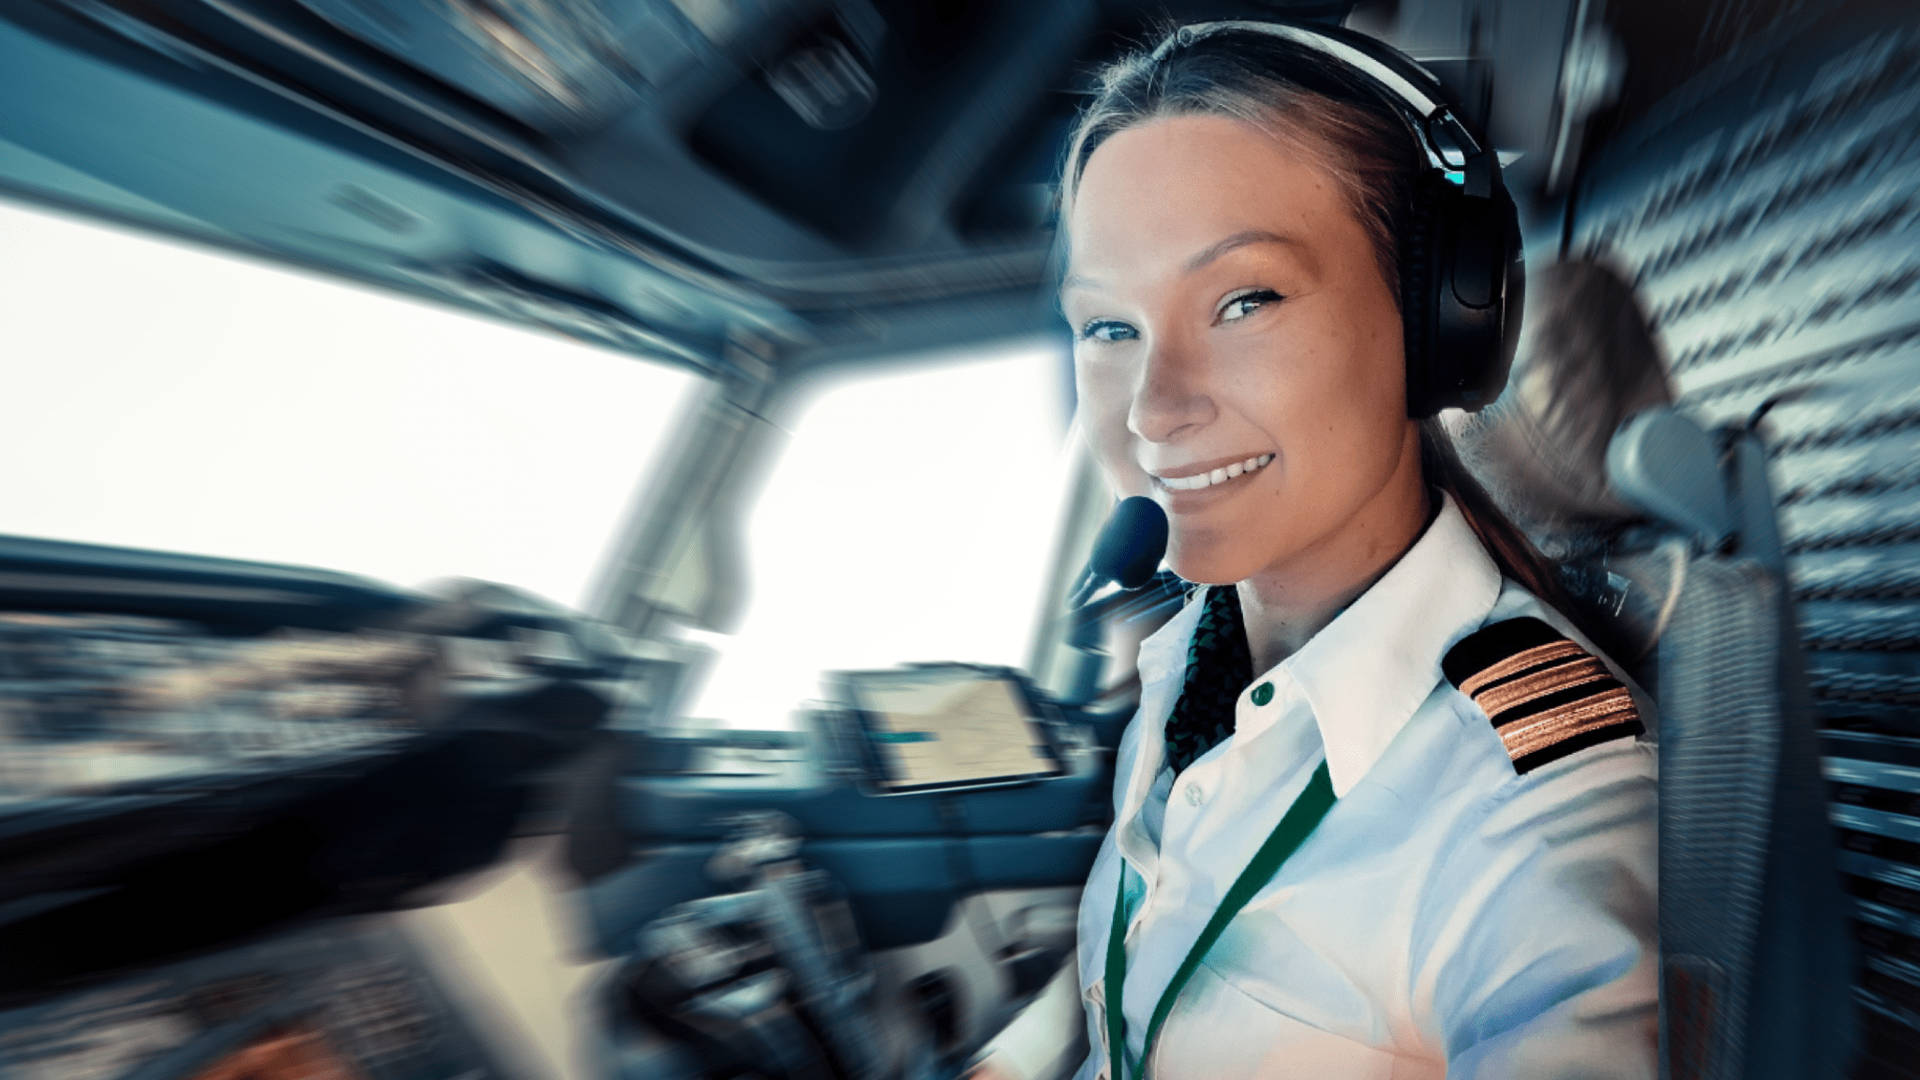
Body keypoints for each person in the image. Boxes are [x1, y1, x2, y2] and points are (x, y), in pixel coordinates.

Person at [968, 19, 1657, 1080]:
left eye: (1245, 300)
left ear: (1442, 324)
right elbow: (1149, 946)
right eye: (1109, 328)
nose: (1153, 410)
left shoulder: (1537, 795)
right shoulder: (1191, 658)